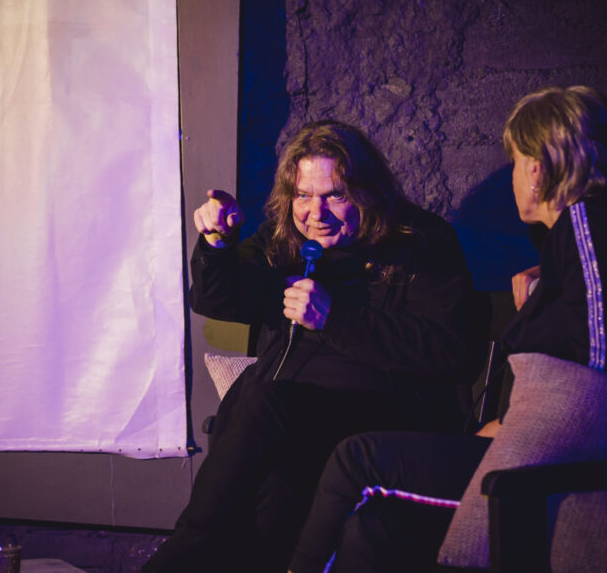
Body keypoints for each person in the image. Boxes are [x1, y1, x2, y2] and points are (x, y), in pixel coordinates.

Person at [287, 85, 607, 573]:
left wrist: (516, 429)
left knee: (356, 459)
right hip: (521, 443)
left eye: (516, 161)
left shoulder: (587, 222)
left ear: (536, 170)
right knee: (374, 528)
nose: (514, 176)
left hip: (542, 465)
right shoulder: (565, 240)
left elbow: (597, 365)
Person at [143, 120, 478, 572]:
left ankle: (176, 560)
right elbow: (218, 300)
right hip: (286, 421)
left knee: (265, 402)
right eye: (303, 195)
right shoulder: (284, 239)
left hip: (378, 416)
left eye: (335, 195)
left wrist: (335, 317)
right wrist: (217, 244)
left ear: (367, 191)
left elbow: (451, 351)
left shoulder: (419, 241)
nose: (315, 213)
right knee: (276, 482)